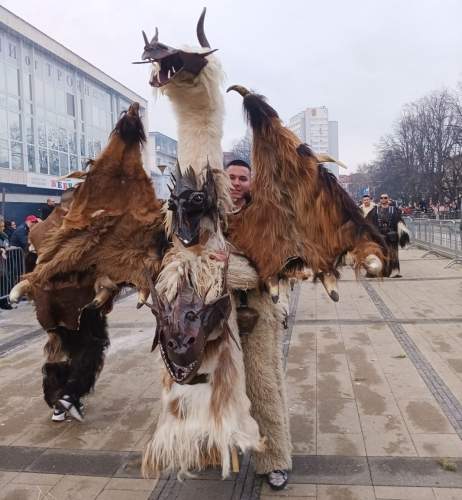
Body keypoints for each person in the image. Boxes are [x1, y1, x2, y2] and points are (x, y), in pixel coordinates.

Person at [226, 159, 291, 490]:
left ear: (251, 183)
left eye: (242, 178)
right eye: (231, 177)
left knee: (263, 388)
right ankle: (218, 450)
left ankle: (275, 459)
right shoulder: (206, 217)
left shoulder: (264, 219)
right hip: (216, 320)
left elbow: (267, 271)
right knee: (215, 389)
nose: (236, 183)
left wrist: (225, 267)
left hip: (258, 315)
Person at [367, 193, 407, 278]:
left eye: (385, 198)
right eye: (382, 198)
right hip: (379, 236)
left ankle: (393, 272)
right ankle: (377, 271)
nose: (383, 199)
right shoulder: (375, 210)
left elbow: (400, 221)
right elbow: (368, 221)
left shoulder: (394, 210)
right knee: (379, 254)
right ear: (380, 199)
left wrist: (402, 232)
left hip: (391, 235)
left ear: (388, 199)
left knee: (392, 254)